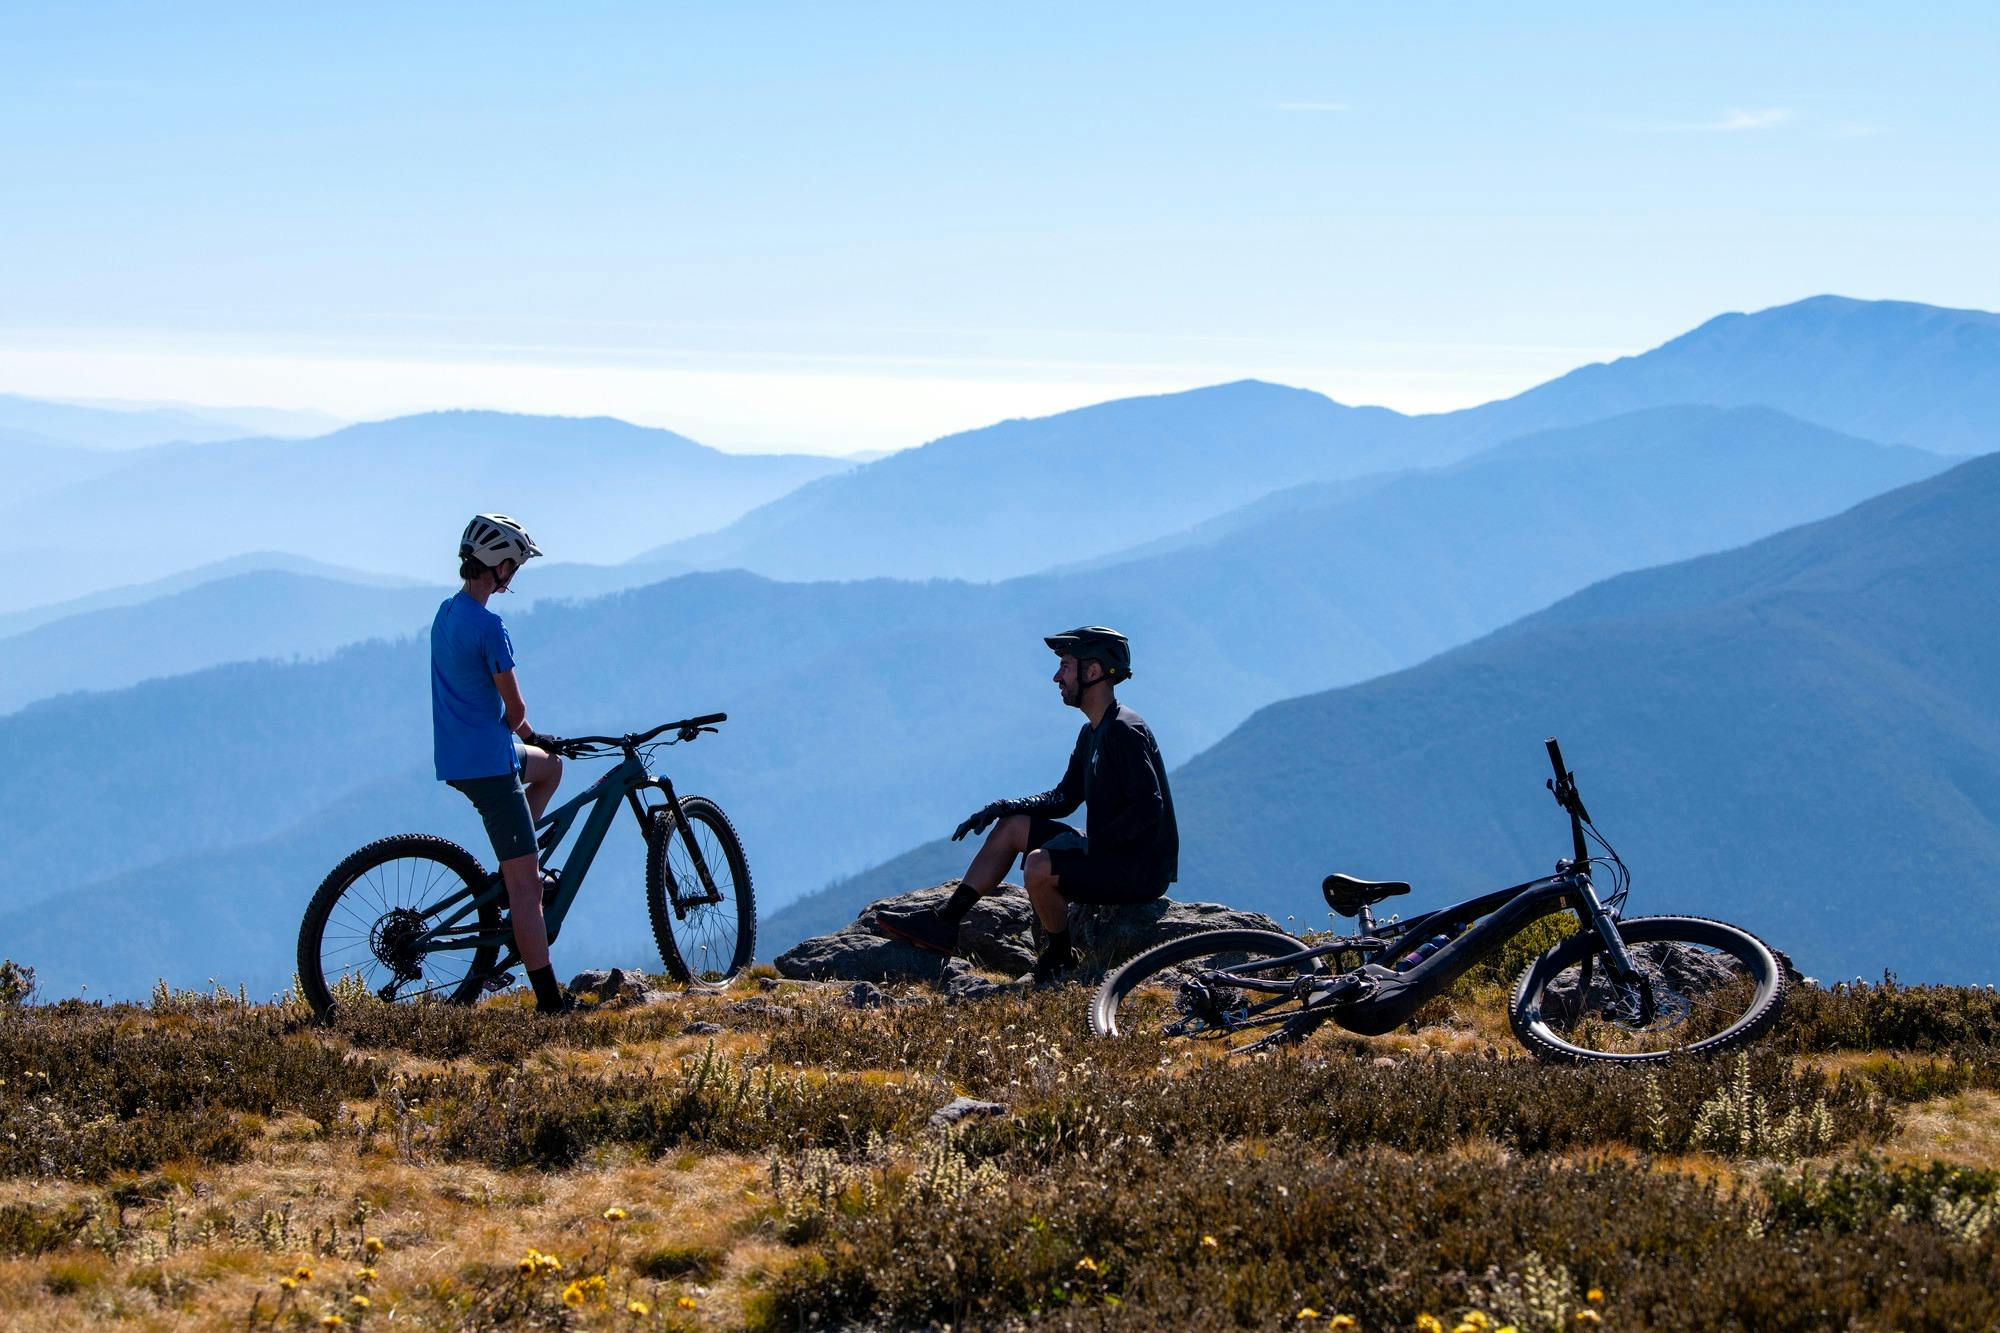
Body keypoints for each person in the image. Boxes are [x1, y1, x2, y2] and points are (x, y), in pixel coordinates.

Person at [876, 625, 1179, 983]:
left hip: (1139, 870)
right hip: (1112, 853)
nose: (1056, 677)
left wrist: (1091, 846)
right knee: (1015, 826)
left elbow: (1148, 808)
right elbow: (1064, 797)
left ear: (1093, 671)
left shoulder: (1125, 732)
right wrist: (1003, 806)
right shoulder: (1093, 732)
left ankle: (1061, 955)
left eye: (1065, 666)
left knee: (1038, 866)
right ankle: (945, 922)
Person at [431, 513, 572, 1014]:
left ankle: (515, 859)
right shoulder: (490, 626)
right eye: (514, 564)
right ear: (500, 565)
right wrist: (534, 733)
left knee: (550, 768)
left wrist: (537, 745)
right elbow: (515, 712)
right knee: (527, 886)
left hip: (459, 755)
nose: (515, 573)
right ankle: (551, 1004)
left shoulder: (447, 613)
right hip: (490, 764)